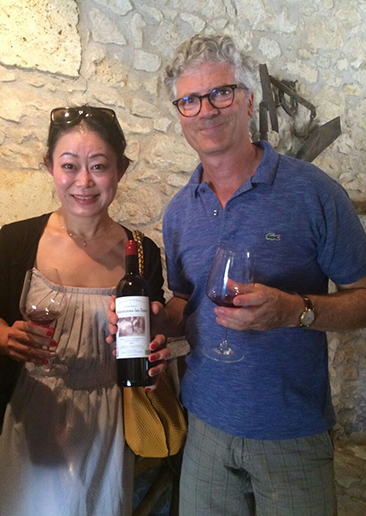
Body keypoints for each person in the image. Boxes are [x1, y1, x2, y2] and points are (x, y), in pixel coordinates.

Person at [107, 34, 366, 516]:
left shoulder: (314, 193)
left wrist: (295, 310)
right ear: (179, 114)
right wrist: (155, 323)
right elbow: (185, 304)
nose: (205, 110)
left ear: (249, 101)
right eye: (189, 100)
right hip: (204, 427)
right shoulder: (180, 211)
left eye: (220, 93)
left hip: (291, 431)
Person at [0, 105, 170, 516]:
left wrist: (155, 351)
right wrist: (6, 338)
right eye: (69, 166)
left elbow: (152, 327)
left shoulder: (141, 253)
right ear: (49, 166)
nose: (84, 181)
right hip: (32, 416)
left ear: (121, 169)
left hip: (107, 423)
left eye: (99, 166)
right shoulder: (16, 240)